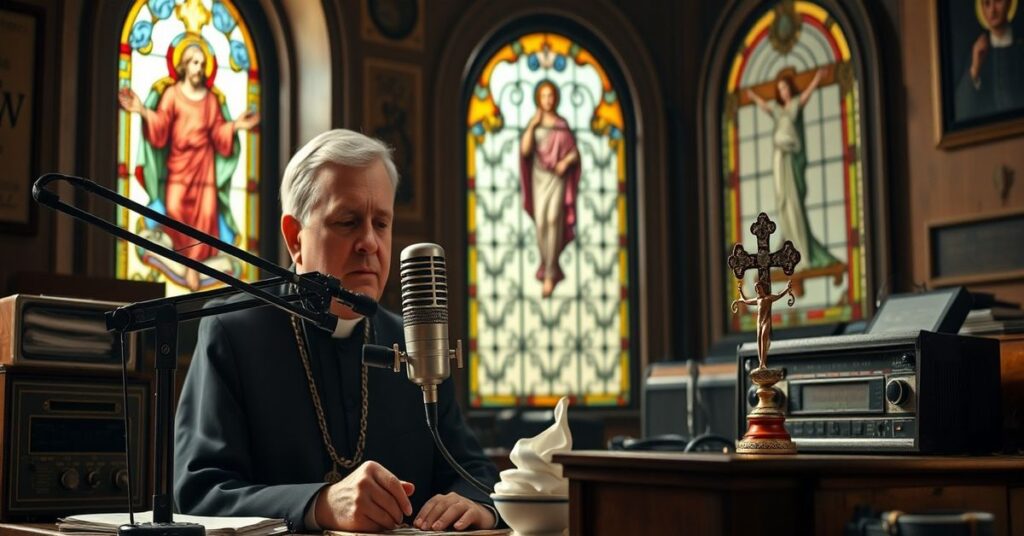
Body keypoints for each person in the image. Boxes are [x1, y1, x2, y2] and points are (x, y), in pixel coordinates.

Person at [174, 129, 499, 533]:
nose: (369, 242)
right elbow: (200, 493)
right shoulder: (233, 333)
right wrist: (319, 504)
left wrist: (474, 504)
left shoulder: (412, 340)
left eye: (381, 223)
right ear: (295, 237)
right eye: (348, 222)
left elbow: (475, 473)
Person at [118, 40, 260, 290]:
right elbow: (160, 129)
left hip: (204, 170)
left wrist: (236, 126)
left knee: (206, 220)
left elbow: (218, 134)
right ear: (183, 65)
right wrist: (141, 109)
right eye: (195, 62)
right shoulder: (172, 94)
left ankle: (196, 268)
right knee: (174, 210)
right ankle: (183, 264)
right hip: (178, 169)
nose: (199, 68)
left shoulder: (210, 100)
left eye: (203, 63)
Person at [746, 68, 839, 271]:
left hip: (791, 160)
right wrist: (752, 96)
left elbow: (806, 95)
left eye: (786, 87)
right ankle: (790, 246)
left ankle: (802, 252)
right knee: (783, 203)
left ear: (790, 89)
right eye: (780, 89)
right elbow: (764, 106)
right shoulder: (778, 110)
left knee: (794, 202)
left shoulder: (795, 105)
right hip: (779, 159)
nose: (783, 91)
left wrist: (816, 79)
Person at [520, 81, 580, 298]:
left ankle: (551, 272)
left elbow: (574, 152)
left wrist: (565, 162)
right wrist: (532, 125)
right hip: (539, 178)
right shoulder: (534, 124)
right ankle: (545, 264)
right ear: (538, 98)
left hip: (557, 178)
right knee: (542, 222)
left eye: (551, 95)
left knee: (555, 219)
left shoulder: (561, 124)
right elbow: (525, 151)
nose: (548, 99)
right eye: (544, 96)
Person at [955, 0, 1024, 119]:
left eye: (998, 2)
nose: (992, 11)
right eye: (987, 4)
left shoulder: (1021, 46)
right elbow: (961, 111)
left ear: (1009, 4)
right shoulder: (975, 53)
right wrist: (975, 69)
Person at [732, 280, 796, 370]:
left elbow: (779, 295)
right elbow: (746, 301)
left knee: (763, 338)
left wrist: (787, 288)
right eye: (756, 289)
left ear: (762, 288)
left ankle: (763, 362)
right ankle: (761, 363)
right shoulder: (758, 300)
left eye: (758, 288)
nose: (757, 290)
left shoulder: (768, 298)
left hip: (766, 321)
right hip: (759, 322)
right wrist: (740, 292)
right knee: (758, 339)